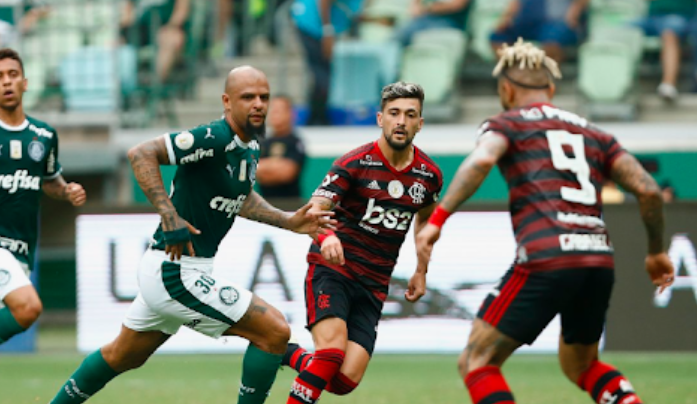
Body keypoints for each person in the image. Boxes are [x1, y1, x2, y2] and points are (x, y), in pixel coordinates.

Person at [48, 66, 336, 404]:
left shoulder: (251, 143)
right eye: (248, 97)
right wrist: (169, 216)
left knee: (122, 355)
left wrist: (287, 221)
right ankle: (302, 363)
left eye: (264, 97)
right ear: (226, 101)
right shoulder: (214, 136)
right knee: (273, 330)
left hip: (176, 271)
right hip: (176, 272)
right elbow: (141, 153)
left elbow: (240, 197)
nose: (258, 104)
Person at [416, 39, 675, 404]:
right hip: (597, 258)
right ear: (550, 89)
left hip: (546, 255)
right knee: (582, 366)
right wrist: (654, 252)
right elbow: (647, 190)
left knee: (477, 360)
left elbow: (480, 161)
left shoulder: (504, 124)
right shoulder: (595, 133)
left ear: (505, 89)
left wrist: (437, 219)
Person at [282, 82, 443, 404]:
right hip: (333, 270)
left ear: (420, 123)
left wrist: (422, 269)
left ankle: (282, 352)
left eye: (410, 115)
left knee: (344, 381)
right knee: (329, 354)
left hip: (374, 283)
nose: (401, 121)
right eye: (394, 113)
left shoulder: (428, 175)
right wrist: (326, 236)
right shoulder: (354, 163)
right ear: (380, 118)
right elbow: (315, 209)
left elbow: (426, 218)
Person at [0, 48, 86, 346]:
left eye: (12, 75)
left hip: (21, 249)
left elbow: (49, 181)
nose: (6, 82)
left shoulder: (43, 136)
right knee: (28, 307)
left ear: (25, 83)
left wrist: (66, 190)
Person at [291, 0, 365, 125]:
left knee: (325, 73)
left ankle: (317, 116)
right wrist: (327, 31)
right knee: (322, 74)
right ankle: (317, 118)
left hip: (325, 26)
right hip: (313, 25)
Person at [635, 0, 697, 102]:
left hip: (678, 17)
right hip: (651, 18)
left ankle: (668, 85)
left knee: (670, 32)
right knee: (619, 32)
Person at [490, 0, 589, 62]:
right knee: (498, 37)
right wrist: (507, 17)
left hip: (557, 23)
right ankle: (514, 76)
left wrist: (573, 15)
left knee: (551, 40)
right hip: (527, 22)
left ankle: (547, 79)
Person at [121, 0, 191, 84]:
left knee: (170, 38)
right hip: (141, 29)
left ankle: (155, 84)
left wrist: (171, 27)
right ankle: (122, 85)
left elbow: (182, 10)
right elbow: (127, 14)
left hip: (167, 27)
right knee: (116, 41)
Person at [256, 95, 306, 199]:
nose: (274, 114)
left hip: (289, 204)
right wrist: (274, 165)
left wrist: (262, 167)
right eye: (272, 110)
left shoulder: (295, 142)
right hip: (264, 204)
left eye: (279, 110)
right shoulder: (262, 143)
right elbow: (251, 171)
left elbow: (287, 173)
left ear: (290, 114)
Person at [394, 0, 472, 47]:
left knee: (426, 39)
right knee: (397, 37)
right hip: (426, 19)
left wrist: (429, 8)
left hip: (451, 22)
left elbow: (457, 5)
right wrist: (416, 6)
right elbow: (417, 6)